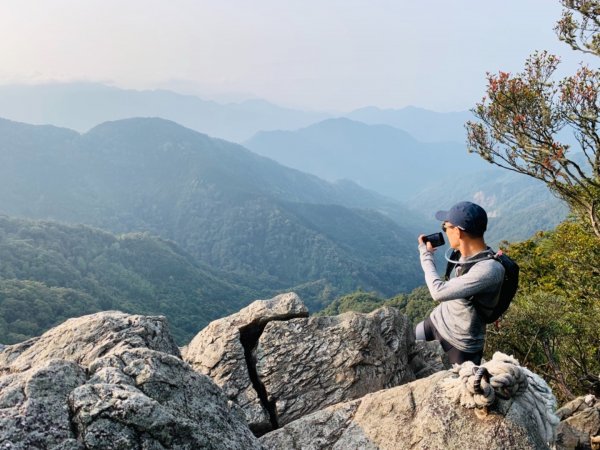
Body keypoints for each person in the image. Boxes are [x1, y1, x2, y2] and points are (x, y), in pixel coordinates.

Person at [415, 201, 505, 365]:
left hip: (460, 345)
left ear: (457, 231)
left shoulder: (488, 269)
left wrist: (425, 255)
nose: (444, 230)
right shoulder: (464, 254)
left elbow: (438, 292)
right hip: (435, 322)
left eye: (445, 227)